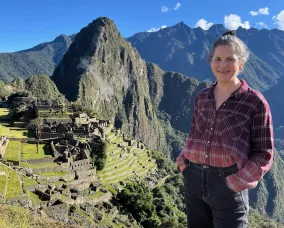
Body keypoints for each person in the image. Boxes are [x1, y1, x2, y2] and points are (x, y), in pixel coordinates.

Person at [176, 31, 274, 228]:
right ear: (210, 61)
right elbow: (195, 132)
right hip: (193, 179)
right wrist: (183, 161)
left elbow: (264, 153)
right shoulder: (202, 97)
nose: (222, 65)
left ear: (241, 63)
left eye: (230, 59)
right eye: (217, 59)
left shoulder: (254, 102)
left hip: (228, 184)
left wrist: (235, 183)